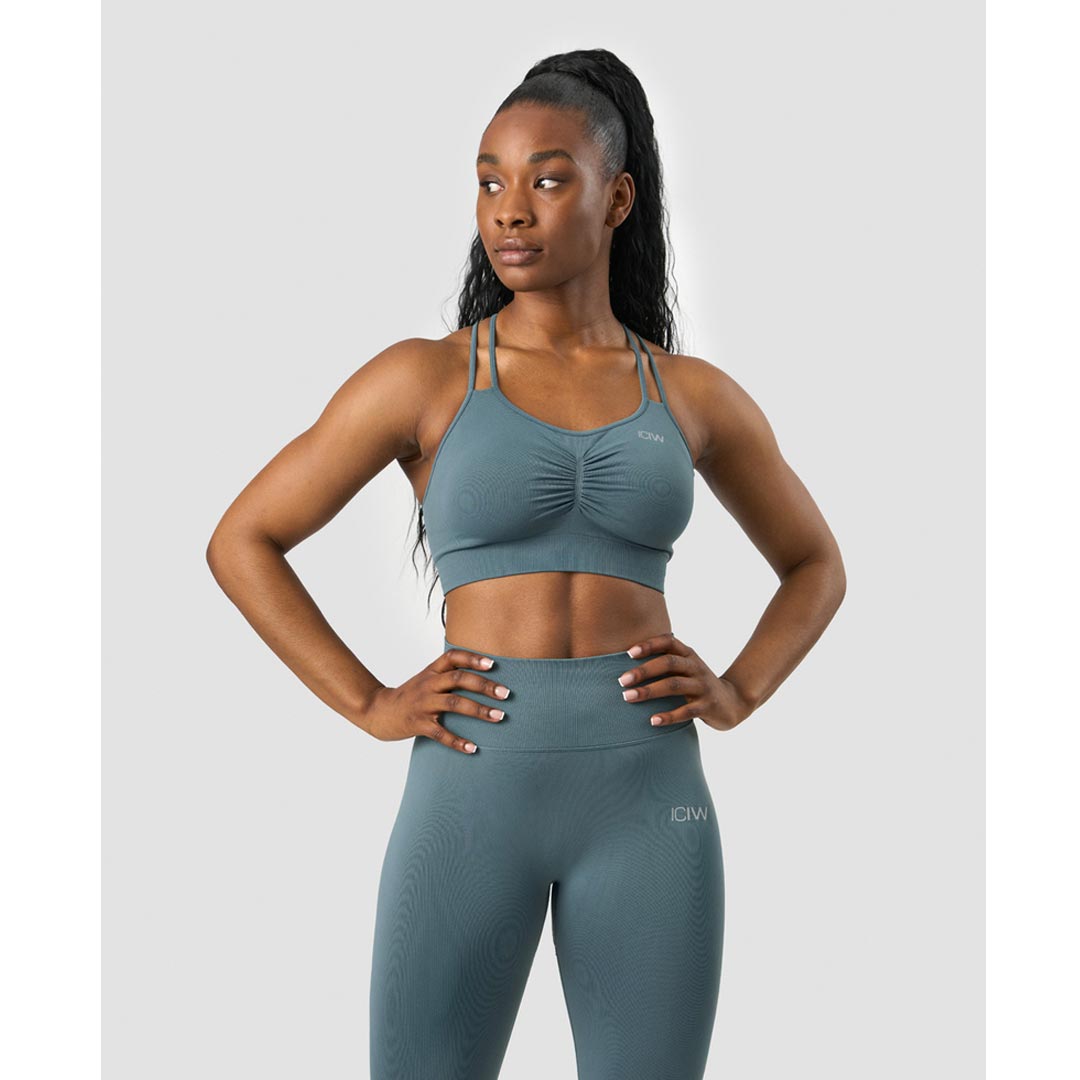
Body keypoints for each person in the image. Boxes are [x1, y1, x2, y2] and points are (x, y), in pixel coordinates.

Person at [206, 47, 846, 1080]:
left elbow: (814, 562)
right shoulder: (425, 379)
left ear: (617, 198)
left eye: (547, 180)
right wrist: (370, 703)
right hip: (469, 790)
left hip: (650, 798)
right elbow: (244, 539)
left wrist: (738, 690)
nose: (509, 209)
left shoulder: (691, 395)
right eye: (489, 181)